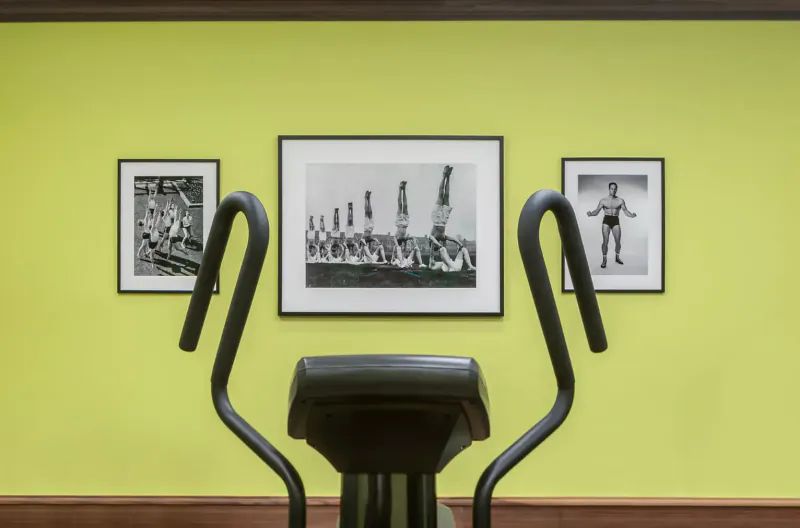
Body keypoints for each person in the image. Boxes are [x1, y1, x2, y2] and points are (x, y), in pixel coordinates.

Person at [586, 182, 637, 268]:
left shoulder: (620, 200)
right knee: (605, 241)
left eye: (615, 189)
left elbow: (625, 211)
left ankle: (617, 257)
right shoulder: (603, 200)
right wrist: (591, 213)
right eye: (611, 189)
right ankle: (604, 260)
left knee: (618, 241)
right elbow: (597, 211)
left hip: (615, 220)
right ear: (609, 189)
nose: (613, 190)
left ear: (616, 189)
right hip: (606, 220)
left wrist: (632, 215)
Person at [428, 165, 462, 266]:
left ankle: (444, 175)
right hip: (443, 219)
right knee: (446, 195)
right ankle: (448, 176)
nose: (436, 248)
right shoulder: (443, 237)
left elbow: (432, 250)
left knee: (440, 194)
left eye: (434, 248)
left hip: (437, 218)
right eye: (436, 248)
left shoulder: (432, 237)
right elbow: (454, 239)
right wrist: (461, 245)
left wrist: (431, 257)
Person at [394, 181, 411, 251]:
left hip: (399, 223)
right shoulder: (404, 239)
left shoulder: (396, 238)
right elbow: (405, 247)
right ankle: (404, 189)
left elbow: (395, 243)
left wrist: (397, 246)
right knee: (405, 205)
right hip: (405, 223)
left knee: (400, 205)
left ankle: (400, 189)